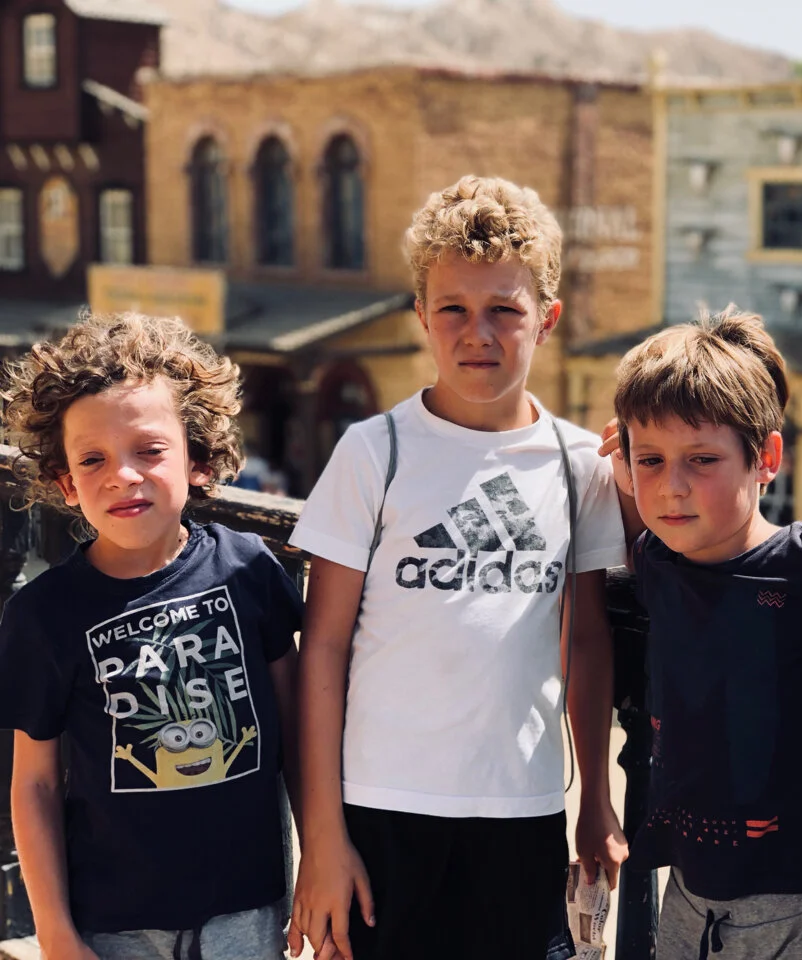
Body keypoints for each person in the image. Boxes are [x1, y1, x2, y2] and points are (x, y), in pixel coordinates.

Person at [286, 175, 627, 960]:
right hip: (382, 810)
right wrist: (323, 840)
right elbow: (323, 648)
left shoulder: (579, 466)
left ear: (547, 318)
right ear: (421, 316)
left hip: (522, 812)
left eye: (505, 310)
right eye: (453, 310)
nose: (479, 334)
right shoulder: (373, 452)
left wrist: (595, 802)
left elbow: (585, 642)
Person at [599, 307, 802, 960]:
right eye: (650, 460)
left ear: (766, 458)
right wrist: (627, 468)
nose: (672, 487)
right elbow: (635, 512)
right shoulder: (656, 560)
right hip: (689, 896)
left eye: (702, 460)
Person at [0, 311, 302, 960]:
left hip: (248, 911)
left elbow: (298, 738)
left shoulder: (251, 572)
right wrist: (54, 931)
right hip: (113, 925)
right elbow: (35, 785)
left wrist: (322, 860)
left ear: (198, 458)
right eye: (93, 459)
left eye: (150, 450)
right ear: (66, 483)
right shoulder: (44, 615)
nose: (124, 475)